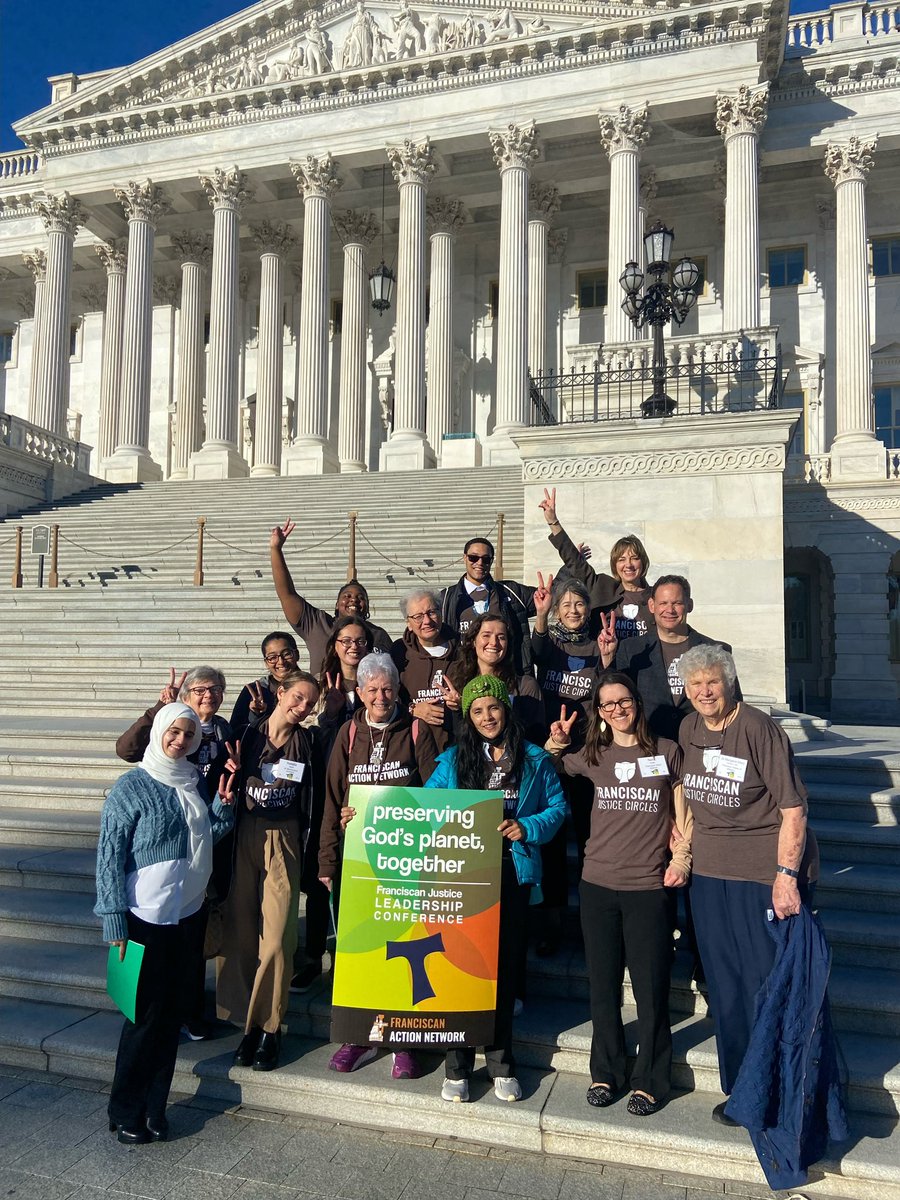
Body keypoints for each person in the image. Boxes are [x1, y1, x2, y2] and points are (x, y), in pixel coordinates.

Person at [676, 643, 819, 1123]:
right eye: (695, 684)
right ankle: (741, 1089)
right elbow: (689, 801)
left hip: (761, 876)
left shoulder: (759, 729)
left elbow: (793, 809)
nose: (704, 691)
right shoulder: (689, 728)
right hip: (710, 877)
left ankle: (775, 1090)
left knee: (764, 986)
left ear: (729, 682)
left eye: (712, 682)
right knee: (727, 987)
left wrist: (786, 877)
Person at [545, 673, 691, 1116]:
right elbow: (544, 768)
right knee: (603, 985)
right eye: (606, 705)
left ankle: (652, 1078)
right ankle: (606, 1071)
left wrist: (682, 860)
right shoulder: (592, 754)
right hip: (598, 883)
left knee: (650, 987)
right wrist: (555, 743)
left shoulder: (667, 752)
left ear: (637, 702)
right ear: (600, 713)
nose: (616, 710)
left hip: (647, 886)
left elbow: (686, 818)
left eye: (622, 701)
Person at [95, 704, 234, 1143]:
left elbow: (201, 839)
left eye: (188, 734)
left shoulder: (192, 780)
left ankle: (156, 1107)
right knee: (143, 1019)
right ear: (158, 732)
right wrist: (114, 920)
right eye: (173, 731)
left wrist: (223, 809)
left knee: (171, 1015)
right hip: (144, 918)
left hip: (187, 915)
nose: (180, 740)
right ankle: (125, 1109)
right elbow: (109, 857)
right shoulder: (132, 786)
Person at [425, 675, 565, 1103]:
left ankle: (502, 1062)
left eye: (494, 707)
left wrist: (527, 826)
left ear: (506, 709)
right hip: (462, 875)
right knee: (460, 969)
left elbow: (557, 808)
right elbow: (425, 809)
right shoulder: (452, 760)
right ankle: (457, 1066)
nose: (488, 717)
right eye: (478, 710)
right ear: (468, 716)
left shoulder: (535, 760)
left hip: (511, 874)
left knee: (502, 973)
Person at [318, 652, 438, 1079]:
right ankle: (358, 1035)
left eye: (387, 688)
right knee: (360, 950)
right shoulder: (349, 733)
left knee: (404, 948)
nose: (381, 696)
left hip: (404, 857)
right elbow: (333, 800)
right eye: (372, 689)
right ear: (360, 692)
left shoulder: (416, 730)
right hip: (358, 859)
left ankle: (404, 1040)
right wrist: (327, 858)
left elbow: (434, 793)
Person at [216, 669, 326, 1073]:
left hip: (285, 838)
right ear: (280, 693)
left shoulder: (309, 742)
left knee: (278, 938)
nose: (302, 709)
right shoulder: (245, 736)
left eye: (309, 705)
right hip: (242, 835)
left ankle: (269, 1027)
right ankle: (247, 1024)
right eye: (297, 699)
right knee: (242, 932)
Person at [115, 666, 233, 1039]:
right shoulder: (139, 779)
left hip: (204, 843)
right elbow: (127, 749)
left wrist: (224, 804)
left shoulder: (224, 733)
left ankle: (190, 1012)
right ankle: (158, 1018)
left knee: (192, 942)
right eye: (199, 689)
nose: (207, 696)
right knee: (155, 971)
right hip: (154, 876)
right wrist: (157, 709)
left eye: (215, 689)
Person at [531, 572, 603, 952]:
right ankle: (551, 921)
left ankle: (596, 919)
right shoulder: (551, 642)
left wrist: (607, 657)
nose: (573, 610)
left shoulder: (599, 643)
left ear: (588, 609)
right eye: (566, 605)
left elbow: (609, 686)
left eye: (579, 604)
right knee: (553, 841)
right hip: (552, 752)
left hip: (588, 753)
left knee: (594, 837)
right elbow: (537, 652)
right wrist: (541, 617)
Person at [606, 575, 738, 742]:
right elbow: (612, 697)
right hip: (650, 747)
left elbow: (734, 705)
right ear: (652, 606)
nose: (670, 610)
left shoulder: (717, 651)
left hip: (703, 745)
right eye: (663, 603)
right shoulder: (630, 649)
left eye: (677, 603)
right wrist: (607, 657)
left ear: (689, 605)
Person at [270, 518, 391, 675]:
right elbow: (287, 594)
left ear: (367, 607)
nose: (354, 599)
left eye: (360, 597)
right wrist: (275, 549)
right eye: (347, 596)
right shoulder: (317, 623)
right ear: (336, 604)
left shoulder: (379, 635)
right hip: (323, 697)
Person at [539, 487, 653, 639]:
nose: (628, 565)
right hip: (607, 661)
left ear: (643, 562)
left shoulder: (656, 596)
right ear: (615, 565)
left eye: (634, 558)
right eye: (622, 559)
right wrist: (553, 521)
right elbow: (575, 561)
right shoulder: (603, 586)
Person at [439, 537, 536, 673]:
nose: (480, 563)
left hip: (507, 675)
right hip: (464, 677)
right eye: (473, 558)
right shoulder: (445, 598)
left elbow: (559, 593)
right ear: (464, 558)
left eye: (486, 559)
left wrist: (554, 525)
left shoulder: (511, 591)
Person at [448, 612, 545, 743]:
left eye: (501, 637)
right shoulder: (458, 683)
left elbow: (536, 738)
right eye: (486, 635)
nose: (494, 643)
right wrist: (457, 710)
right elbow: (459, 740)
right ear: (473, 641)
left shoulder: (525, 686)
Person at [390, 587, 461, 752]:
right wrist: (412, 709)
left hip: (457, 746)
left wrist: (462, 702)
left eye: (432, 612)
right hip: (414, 749)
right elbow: (388, 699)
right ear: (408, 623)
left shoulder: (463, 648)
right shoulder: (398, 653)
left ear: (441, 614)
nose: (427, 621)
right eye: (418, 616)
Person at [229, 632, 301, 735]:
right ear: (266, 663)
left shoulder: (311, 688)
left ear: (297, 655)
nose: (281, 661)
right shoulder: (253, 691)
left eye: (286, 654)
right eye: (272, 657)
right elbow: (236, 731)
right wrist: (255, 714)